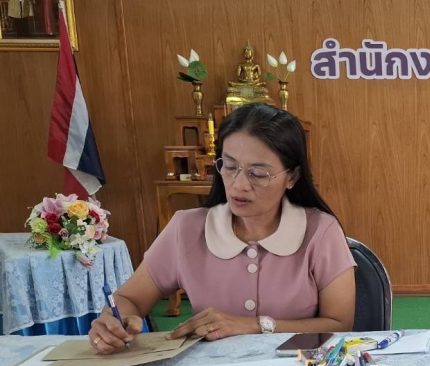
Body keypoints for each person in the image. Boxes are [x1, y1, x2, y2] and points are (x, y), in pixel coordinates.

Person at [89, 103, 356, 352]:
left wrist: (254, 325)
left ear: (292, 177)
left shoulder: (320, 231)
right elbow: (130, 299)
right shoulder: (186, 228)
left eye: (258, 173)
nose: (239, 184)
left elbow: (339, 324)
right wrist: (114, 320)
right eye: (229, 167)